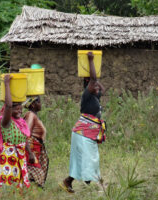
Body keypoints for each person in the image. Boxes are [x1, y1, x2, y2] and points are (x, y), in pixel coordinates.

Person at [60, 52, 106, 193]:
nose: (97, 87)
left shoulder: (94, 97)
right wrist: (91, 60)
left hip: (86, 133)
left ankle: (74, 181)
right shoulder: (87, 94)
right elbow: (92, 79)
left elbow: (101, 88)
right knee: (88, 159)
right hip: (83, 133)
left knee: (88, 159)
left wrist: (97, 82)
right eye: (94, 85)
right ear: (89, 86)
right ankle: (97, 184)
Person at [0, 74, 35, 189]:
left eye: (20, 107)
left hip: (20, 155)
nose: (19, 110)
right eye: (16, 108)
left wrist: (30, 153)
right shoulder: (6, 122)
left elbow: (24, 140)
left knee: (18, 185)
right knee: (8, 184)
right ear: (9, 111)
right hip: (7, 156)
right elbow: (8, 105)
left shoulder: (21, 123)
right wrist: (6, 84)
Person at [23, 96, 49, 188]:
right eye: (39, 102)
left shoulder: (34, 115)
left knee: (34, 172)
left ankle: (31, 191)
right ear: (33, 104)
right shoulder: (30, 115)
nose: (40, 104)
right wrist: (30, 152)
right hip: (31, 148)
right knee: (36, 173)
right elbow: (26, 134)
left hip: (36, 148)